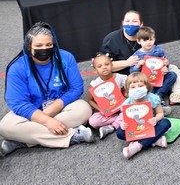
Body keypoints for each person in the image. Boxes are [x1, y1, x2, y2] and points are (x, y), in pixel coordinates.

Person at [0, 22, 95, 156]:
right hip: (32, 111)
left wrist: (49, 113)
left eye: (48, 45)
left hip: (60, 107)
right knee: (5, 126)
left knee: (84, 109)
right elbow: (18, 103)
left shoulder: (66, 58)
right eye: (38, 46)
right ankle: (72, 135)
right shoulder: (17, 67)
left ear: (53, 44)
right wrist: (47, 121)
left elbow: (76, 89)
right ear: (28, 47)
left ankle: (23, 141)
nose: (44, 48)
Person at [101, 10, 180, 105]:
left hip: (150, 74)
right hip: (126, 75)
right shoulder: (111, 39)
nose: (130, 24)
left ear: (141, 24)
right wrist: (127, 63)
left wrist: (164, 65)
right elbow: (104, 67)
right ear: (123, 23)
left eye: (134, 21)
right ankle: (151, 98)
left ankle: (179, 94)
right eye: (127, 21)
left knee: (173, 68)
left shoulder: (147, 36)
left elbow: (158, 58)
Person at [115, 73, 171, 159]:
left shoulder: (153, 98)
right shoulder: (127, 103)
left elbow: (160, 113)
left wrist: (155, 119)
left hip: (151, 126)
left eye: (140, 86)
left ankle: (138, 146)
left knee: (166, 123)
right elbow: (124, 120)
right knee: (119, 133)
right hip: (135, 129)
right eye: (133, 87)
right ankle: (155, 140)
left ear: (147, 86)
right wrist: (122, 125)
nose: (137, 89)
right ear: (128, 90)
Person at [129, 26, 177, 105]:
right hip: (146, 81)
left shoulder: (159, 50)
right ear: (138, 41)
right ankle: (154, 99)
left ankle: (159, 95)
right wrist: (138, 66)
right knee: (144, 88)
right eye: (145, 40)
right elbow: (132, 72)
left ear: (154, 39)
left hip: (159, 77)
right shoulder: (137, 55)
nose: (148, 42)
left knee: (172, 75)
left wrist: (166, 66)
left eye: (151, 39)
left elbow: (164, 63)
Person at [87, 53, 127, 140]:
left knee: (127, 110)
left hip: (121, 108)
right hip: (108, 112)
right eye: (99, 66)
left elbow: (125, 94)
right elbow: (90, 100)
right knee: (93, 121)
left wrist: (124, 98)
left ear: (112, 65)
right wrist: (100, 109)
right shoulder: (95, 84)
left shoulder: (120, 78)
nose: (104, 67)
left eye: (107, 64)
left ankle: (111, 127)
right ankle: (119, 121)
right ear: (95, 70)